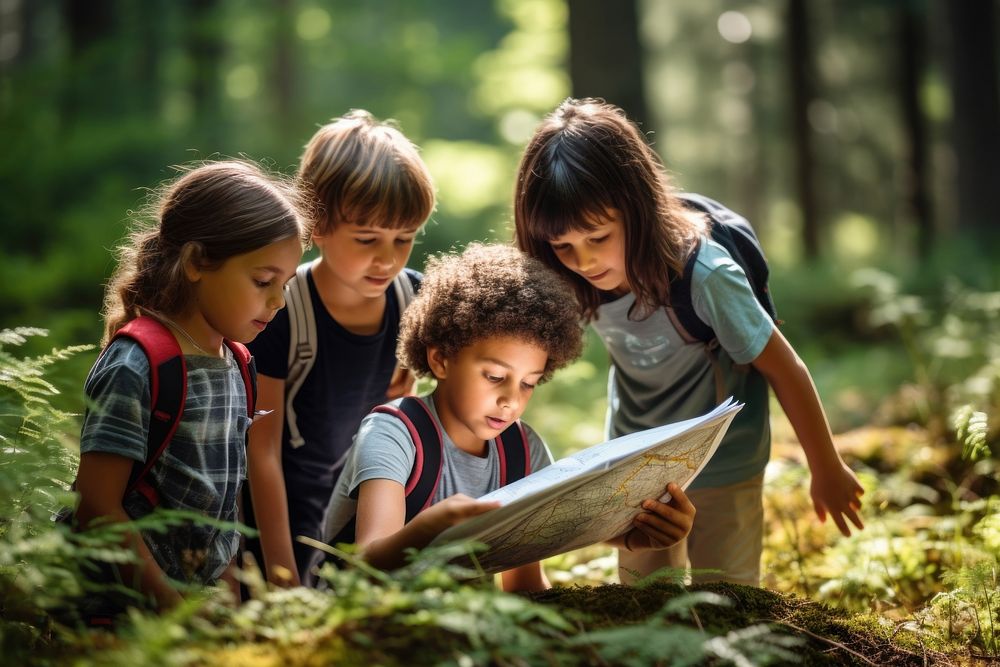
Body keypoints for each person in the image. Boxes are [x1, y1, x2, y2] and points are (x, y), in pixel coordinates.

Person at [513, 98, 864, 587]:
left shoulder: (705, 276)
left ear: (636, 209)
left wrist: (825, 466)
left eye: (598, 237)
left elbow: (785, 368)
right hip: (634, 461)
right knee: (641, 596)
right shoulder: (570, 276)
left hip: (723, 462)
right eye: (563, 246)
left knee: (727, 594)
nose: (584, 260)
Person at [322, 243, 697, 592]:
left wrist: (637, 536)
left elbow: (523, 585)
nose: (510, 401)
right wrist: (432, 527)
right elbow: (364, 565)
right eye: (495, 377)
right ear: (441, 359)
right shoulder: (393, 433)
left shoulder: (521, 449)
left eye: (529, 384)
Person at [73, 160, 308, 616]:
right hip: (123, 621)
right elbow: (96, 506)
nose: (278, 301)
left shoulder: (238, 363)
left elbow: (221, 517)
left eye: (285, 284)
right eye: (263, 281)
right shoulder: (137, 364)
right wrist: (175, 615)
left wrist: (225, 617)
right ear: (198, 262)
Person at [244, 110, 436, 587]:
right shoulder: (283, 309)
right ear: (317, 224)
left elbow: (403, 415)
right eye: (367, 239)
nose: (388, 258)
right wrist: (281, 576)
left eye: (404, 238)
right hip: (278, 525)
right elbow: (261, 455)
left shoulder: (415, 298)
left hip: (364, 517)